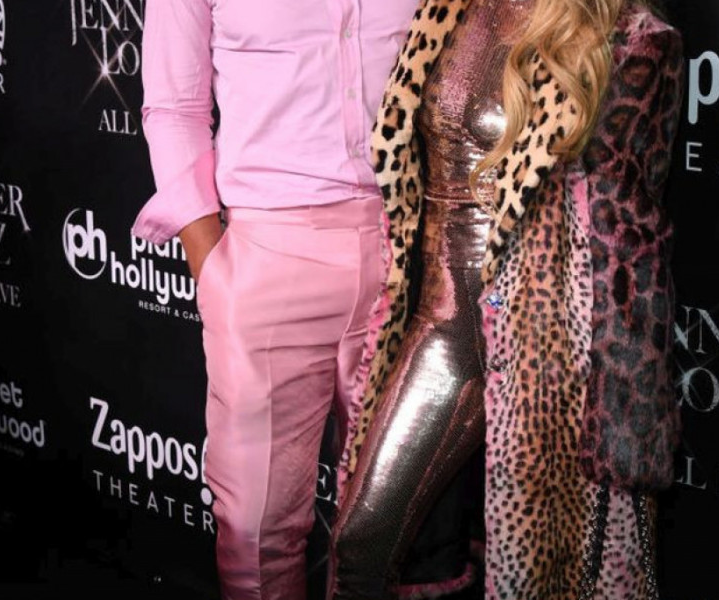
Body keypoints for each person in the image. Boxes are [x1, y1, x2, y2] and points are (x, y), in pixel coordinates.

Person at [331, 0, 684, 598]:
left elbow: (631, 238)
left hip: (533, 347)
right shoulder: (452, 7)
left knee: (389, 550)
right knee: (365, 544)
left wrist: (627, 411)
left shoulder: (629, 35)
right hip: (434, 319)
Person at [133, 1, 421, 598]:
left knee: (390, 530)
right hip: (267, 260)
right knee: (256, 536)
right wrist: (212, 267)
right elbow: (174, 107)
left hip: (406, 253)